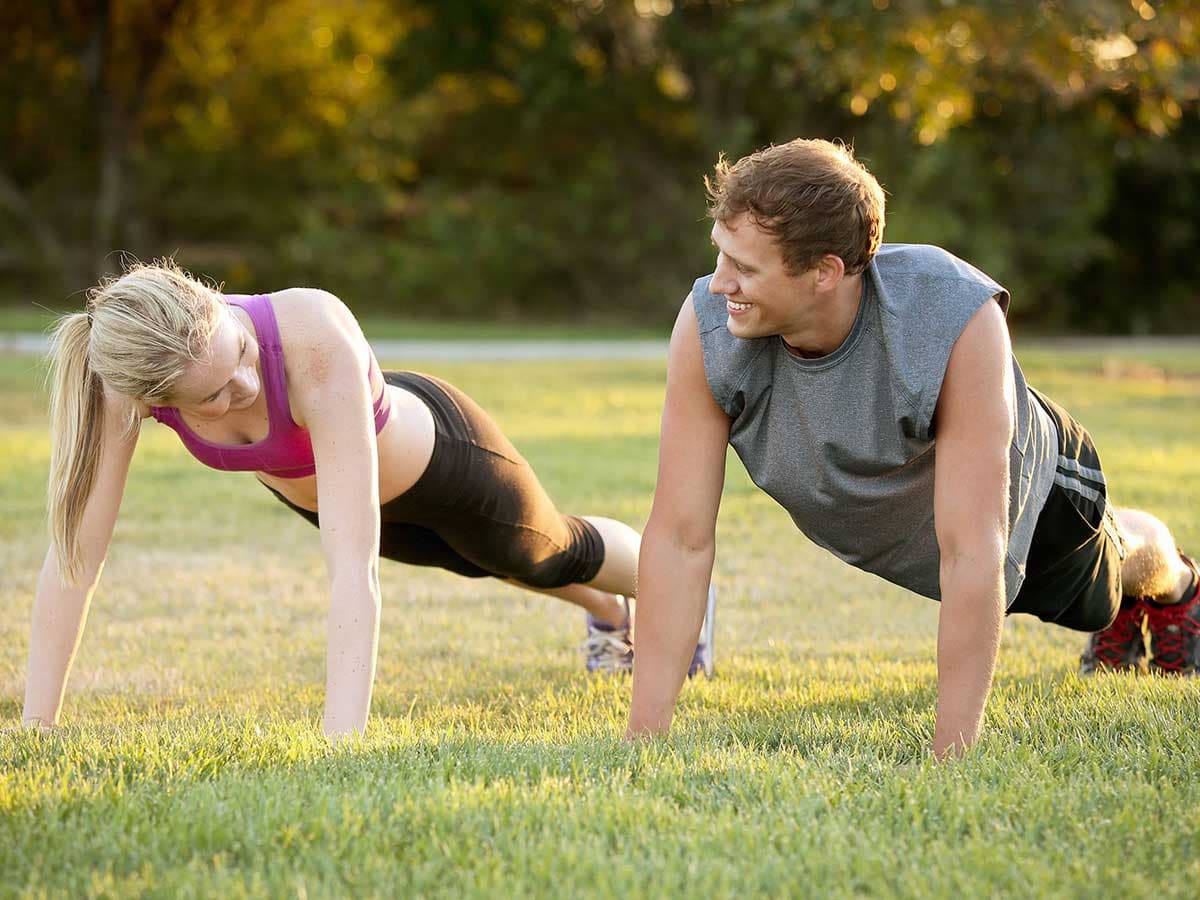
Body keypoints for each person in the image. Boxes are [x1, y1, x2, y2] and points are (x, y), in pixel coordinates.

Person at [627, 138, 1199, 758]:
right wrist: (643, 741)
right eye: (720, 255)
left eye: (745, 267)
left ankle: (1181, 588)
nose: (718, 284)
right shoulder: (711, 328)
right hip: (924, 535)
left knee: (1105, 579)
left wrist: (950, 757)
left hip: (1039, 499)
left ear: (824, 271)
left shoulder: (949, 314)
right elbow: (680, 539)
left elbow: (973, 548)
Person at [21, 261, 713, 739]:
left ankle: (682, 597)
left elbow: (352, 574)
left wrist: (339, 742)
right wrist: (38, 726)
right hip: (329, 497)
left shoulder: (311, 335)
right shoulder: (124, 384)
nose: (245, 385)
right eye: (215, 396)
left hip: (445, 460)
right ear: (156, 401)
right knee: (480, 565)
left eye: (238, 355)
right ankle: (607, 614)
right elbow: (77, 555)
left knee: (550, 553)